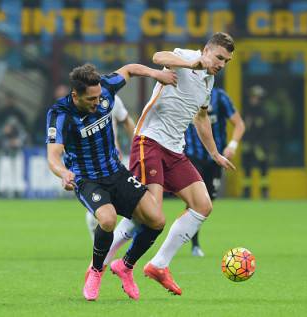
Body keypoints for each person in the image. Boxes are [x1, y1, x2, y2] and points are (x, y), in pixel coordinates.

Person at [101, 32, 236, 296]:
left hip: (175, 150)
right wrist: (191, 64)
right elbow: (157, 57)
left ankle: (158, 265)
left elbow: (201, 118)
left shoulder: (210, 80)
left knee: (203, 205)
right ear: (206, 50)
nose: (221, 64)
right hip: (148, 142)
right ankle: (99, 266)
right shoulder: (187, 57)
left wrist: (215, 153)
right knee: (148, 213)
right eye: (219, 57)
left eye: (226, 61)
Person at [46, 63, 176, 301]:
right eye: (91, 99)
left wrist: (157, 74)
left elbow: (129, 69)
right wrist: (63, 173)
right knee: (107, 219)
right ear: (75, 95)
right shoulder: (60, 114)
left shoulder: (105, 88)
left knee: (157, 220)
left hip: (116, 172)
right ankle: (96, 270)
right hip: (87, 179)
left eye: (98, 97)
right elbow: (53, 155)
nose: (97, 102)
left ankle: (125, 266)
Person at [185, 87, 245, 257]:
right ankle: (194, 244)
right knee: (195, 201)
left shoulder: (220, 97)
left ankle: (189, 239)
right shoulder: (186, 93)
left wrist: (232, 145)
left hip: (215, 158)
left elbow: (239, 124)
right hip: (192, 156)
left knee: (207, 202)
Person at [85, 94, 136, 241]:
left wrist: (137, 146)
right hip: (90, 162)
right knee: (101, 203)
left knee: (131, 203)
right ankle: (100, 238)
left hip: (113, 158)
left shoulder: (112, 98)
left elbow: (126, 121)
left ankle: (108, 239)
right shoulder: (76, 103)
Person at [241, 85, 270, 199]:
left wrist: (262, 146)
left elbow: (266, 131)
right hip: (248, 144)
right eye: (252, 97)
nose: (254, 99)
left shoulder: (264, 113)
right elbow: (243, 128)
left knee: (263, 168)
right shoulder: (246, 112)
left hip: (260, 146)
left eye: (256, 97)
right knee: (246, 168)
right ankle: (246, 192)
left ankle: (265, 192)